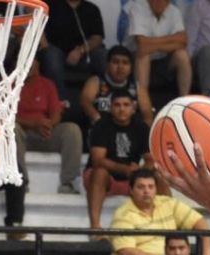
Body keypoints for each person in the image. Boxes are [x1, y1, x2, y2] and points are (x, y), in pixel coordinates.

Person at [85, 90, 151, 233]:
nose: (122, 109)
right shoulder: (101, 126)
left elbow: (151, 159)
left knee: (157, 175)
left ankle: (168, 228)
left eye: (126, 105)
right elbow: (98, 160)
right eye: (117, 105)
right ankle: (95, 227)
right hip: (105, 178)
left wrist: (140, 170)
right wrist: (125, 169)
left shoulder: (141, 127)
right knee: (100, 173)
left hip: (131, 179)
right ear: (110, 108)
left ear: (133, 108)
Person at [16, 55, 84, 195]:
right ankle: (20, 183)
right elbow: (6, 117)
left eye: (31, 59)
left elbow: (56, 114)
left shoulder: (47, 84)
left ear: (38, 64)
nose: (27, 63)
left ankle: (69, 183)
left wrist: (47, 125)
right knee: (11, 129)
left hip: (44, 134)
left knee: (72, 130)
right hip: (22, 135)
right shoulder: (9, 85)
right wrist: (33, 124)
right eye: (23, 58)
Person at [39, 0, 107, 104]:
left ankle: (107, 101)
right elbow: (40, 32)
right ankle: (61, 102)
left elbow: (97, 38)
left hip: (84, 54)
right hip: (57, 53)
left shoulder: (92, 9)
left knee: (103, 56)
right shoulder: (51, 6)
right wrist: (45, 46)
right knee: (51, 56)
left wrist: (81, 51)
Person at [128, 0, 192, 100]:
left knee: (182, 55)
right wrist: (172, 39)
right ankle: (143, 100)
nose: (160, 2)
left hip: (164, 60)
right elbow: (141, 43)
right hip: (137, 60)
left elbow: (183, 41)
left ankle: (184, 100)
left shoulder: (174, 11)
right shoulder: (137, 8)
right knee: (143, 55)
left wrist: (154, 45)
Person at [80, 46, 152, 128]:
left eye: (125, 63)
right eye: (115, 62)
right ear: (107, 65)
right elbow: (85, 102)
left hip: (130, 132)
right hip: (101, 129)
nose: (120, 67)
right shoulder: (96, 82)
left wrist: (144, 131)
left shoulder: (137, 87)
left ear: (131, 68)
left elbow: (148, 116)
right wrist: (98, 120)